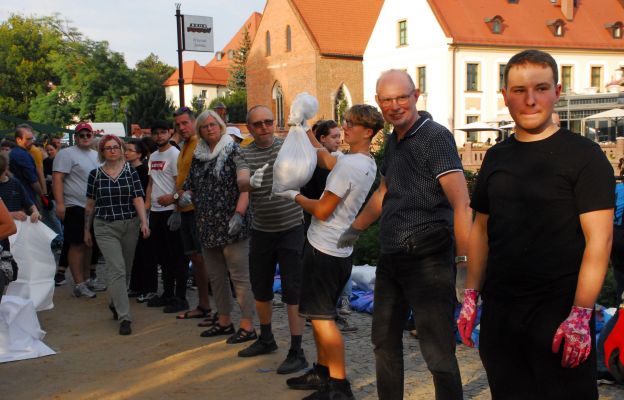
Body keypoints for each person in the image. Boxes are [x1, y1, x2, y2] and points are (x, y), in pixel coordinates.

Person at [457, 49, 614, 399]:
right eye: (519, 90)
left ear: (557, 91)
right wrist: (470, 294)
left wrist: (581, 314)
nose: (530, 100)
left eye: (541, 88)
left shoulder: (585, 157)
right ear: (505, 96)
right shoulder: (497, 156)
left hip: (559, 316)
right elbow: (480, 228)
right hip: (502, 315)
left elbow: (598, 242)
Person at [338, 70, 472, 400]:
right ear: (379, 102)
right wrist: (355, 228)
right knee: (383, 342)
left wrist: (464, 263)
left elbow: (461, 202)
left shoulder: (435, 137)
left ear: (416, 96)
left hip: (429, 257)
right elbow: (385, 191)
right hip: (392, 257)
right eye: (387, 99)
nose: (395, 105)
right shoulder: (395, 141)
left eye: (401, 97)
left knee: (437, 351)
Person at [277, 105, 384, 399]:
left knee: (324, 320)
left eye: (352, 124)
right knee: (319, 316)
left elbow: (323, 210)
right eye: (346, 122)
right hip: (337, 250)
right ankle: (323, 374)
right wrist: (304, 126)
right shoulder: (363, 161)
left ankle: (338, 387)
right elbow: (323, 157)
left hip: (324, 249)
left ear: (369, 132)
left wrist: (293, 195)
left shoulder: (349, 166)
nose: (345, 127)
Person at [236, 105, 308, 374]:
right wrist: (250, 183)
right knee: (261, 288)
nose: (264, 127)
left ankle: (297, 350)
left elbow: (309, 167)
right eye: (258, 124)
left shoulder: (286, 147)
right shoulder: (243, 152)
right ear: (249, 128)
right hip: (262, 229)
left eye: (268, 121)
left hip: (291, 227)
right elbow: (242, 181)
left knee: (292, 291)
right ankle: (266, 338)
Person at [182, 110, 255, 342]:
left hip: (233, 222)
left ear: (221, 126)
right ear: (200, 131)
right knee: (216, 276)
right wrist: (184, 196)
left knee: (239, 277)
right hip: (206, 223)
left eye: (214, 124)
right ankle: (224, 320)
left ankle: (247, 325)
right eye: (205, 126)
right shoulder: (198, 155)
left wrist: (239, 214)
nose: (210, 128)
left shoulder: (234, 150)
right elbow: (190, 185)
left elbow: (245, 187)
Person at [84, 135, 150, 335]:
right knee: (117, 268)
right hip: (105, 226)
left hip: (130, 224)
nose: (112, 150)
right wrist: (86, 229)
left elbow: (138, 198)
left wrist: (144, 222)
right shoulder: (95, 174)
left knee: (126, 269)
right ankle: (125, 317)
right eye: (107, 148)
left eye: (116, 147)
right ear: (102, 152)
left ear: (121, 150)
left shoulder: (131, 172)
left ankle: (114, 301)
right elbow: (90, 205)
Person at [300, 120, 356, 329]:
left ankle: (330, 311)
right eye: (334, 136)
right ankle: (323, 315)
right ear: (322, 139)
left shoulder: (339, 161)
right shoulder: (318, 164)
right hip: (319, 227)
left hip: (336, 227)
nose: (339, 140)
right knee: (323, 276)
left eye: (338, 135)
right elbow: (318, 202)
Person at [171, 107, 212, 320]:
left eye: (185, 123)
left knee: (203, 258)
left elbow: (204, 178)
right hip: (185, 209)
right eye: (178, 125)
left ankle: (210, 306)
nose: (181, 128)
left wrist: (186, 194)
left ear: (194, 122)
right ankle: (203, 305)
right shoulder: (184, 145)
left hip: (198, 210)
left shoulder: (200, 144)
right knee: (195, 258)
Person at [53, 122, 101, 298]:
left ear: (93, 136)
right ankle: (79, 283)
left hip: (93, 207)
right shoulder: (66, 154)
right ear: (76, 137)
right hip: (75, 205)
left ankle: (87, 279)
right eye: (82, 135)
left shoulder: (97, 155)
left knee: (89, 244)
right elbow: (58, 178)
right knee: (77, 244)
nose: (85, 138)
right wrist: (60, 204)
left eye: (88, 135)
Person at [144, 120, 188, 313]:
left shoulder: (175, 154)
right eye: (156, 133)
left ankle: (180, 297)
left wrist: (176, 208)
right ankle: (167, 293)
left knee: (176, 256)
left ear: (170, 133)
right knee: (162, 256)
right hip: (155, 212)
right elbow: (151, 183)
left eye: (163, 132)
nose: (159, 136)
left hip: (171, 211)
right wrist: (147, 206)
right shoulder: (152, 156)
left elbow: (178, 184)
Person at [125, 139, 158, 303]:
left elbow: (147, 193)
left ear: (139, 154)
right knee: (136, 252)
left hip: (144, 215)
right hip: (132, 216)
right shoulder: (127, 169)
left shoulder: (144, 170)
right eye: (126, 149)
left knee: (147, 252)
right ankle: (136, 285)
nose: (126, 152)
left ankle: (149, 288)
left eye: (130, 150)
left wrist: (144, 213)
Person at [9, 124, 44, 209]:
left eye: (32, 138)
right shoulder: (22, 155)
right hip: (27, 200)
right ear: (18, 140)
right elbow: (33, 181)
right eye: (28, 139)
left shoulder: (15, 152)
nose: (31, 141)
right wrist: (43, 197)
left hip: (20, 198)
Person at [0, 154, 41, 224]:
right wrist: (11, 215)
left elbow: (28, 203)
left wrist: (35, 212)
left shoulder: (15, 182)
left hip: (18, 229)